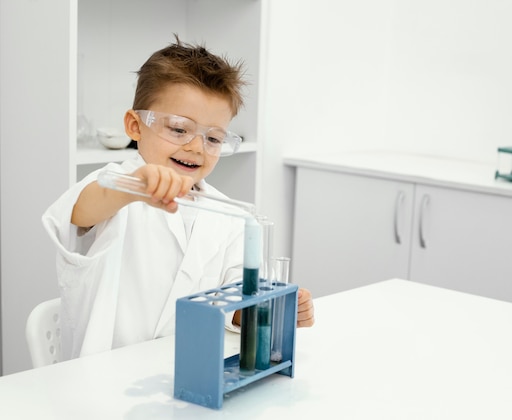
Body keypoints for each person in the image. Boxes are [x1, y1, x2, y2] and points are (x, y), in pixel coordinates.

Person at [42, 36, 314, 360]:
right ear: (135, 125)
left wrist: (271, 309)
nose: (196, 147)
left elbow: (233, 305)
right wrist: (134, 187)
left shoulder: (229, 217)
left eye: (213, 138)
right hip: (102, 382)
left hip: (183, 375)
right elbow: (78, 214)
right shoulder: (114, 185)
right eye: (179, 129)